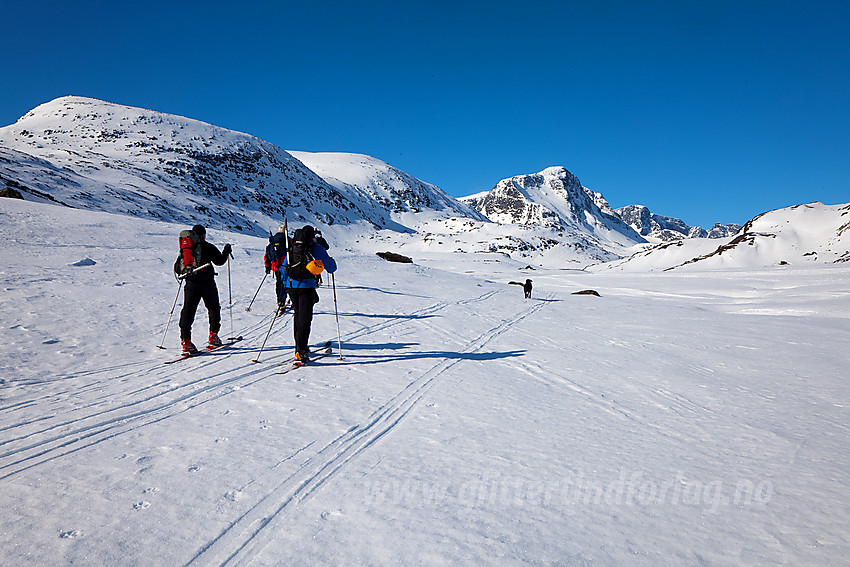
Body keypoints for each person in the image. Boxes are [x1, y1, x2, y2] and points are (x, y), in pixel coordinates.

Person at [173, 224, 231, 354]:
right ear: (203, 235)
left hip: (191, 283)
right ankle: (213, 336)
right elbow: (219, 261)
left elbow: (178, 267)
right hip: (207, 282)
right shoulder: (207, 246)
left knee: (188, 310)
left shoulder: (186, 249)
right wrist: (226, 251)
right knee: (213, 308)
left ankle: (186, 341)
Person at [283, 225, 337, 363]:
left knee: (298, 316)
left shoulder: (292, 247)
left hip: (291, 286)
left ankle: (299, 347)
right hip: (306, 286)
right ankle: (301, 350)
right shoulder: (315, 248)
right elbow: (331, 267)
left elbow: (284, 266)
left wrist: (285, 283)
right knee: (305, 319)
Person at [264, 224, 289, 313]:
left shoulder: (273, 240)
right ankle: (284, 300)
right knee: (286, 283)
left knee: (278, 283)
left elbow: (267, 255)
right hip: (285, 266)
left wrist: (267, 267)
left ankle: (279, 300)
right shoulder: (287, 239)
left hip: (275, 266)